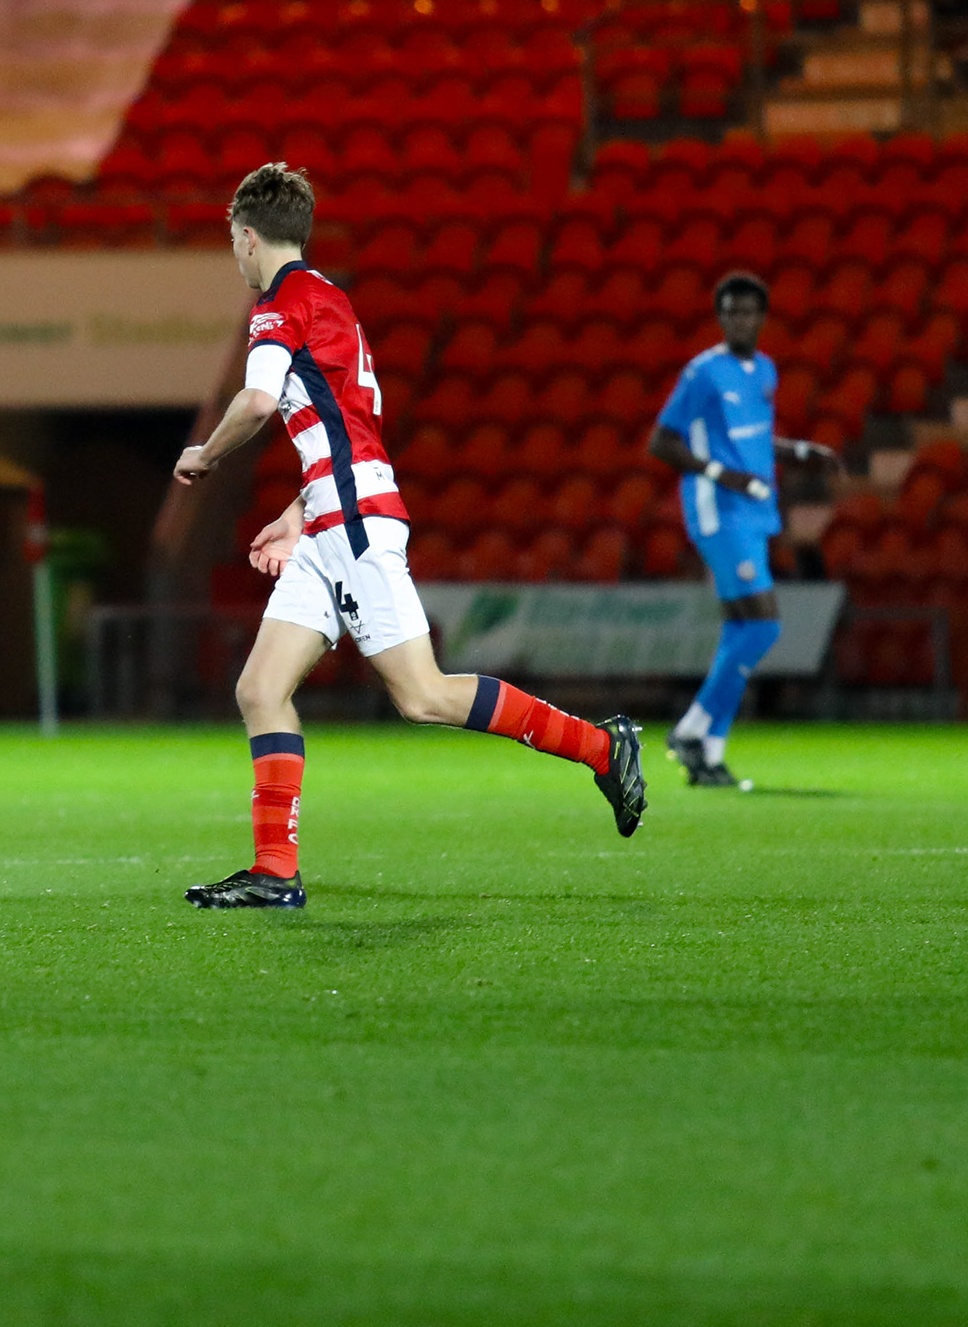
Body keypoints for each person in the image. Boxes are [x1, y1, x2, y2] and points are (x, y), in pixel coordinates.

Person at [176, 161, 645, 909]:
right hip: (332, 516)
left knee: (422, 696)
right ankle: (275, 872)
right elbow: (347, 427)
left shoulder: (280, 305)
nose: (235, 255)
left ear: (247, 236)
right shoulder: (334, 301)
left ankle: (601, 747)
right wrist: (299, 514)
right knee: (261, 688)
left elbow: (259, 400)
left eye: (234, 242)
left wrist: (205, 452)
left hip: (353, 522)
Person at [647, 271, 840, 788]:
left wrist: (799, 451)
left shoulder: (764, 371)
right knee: (763, 624)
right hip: (719, 511)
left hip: (756, 510)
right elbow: (662, 443)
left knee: (742, 630)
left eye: (749, 311)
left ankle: (708, 751)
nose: (740, 319)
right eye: (731, 311)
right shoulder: (703, 373)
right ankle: (691, 730)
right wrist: (720, 474)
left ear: (761, 318)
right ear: (721, 317)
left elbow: (750, 441)